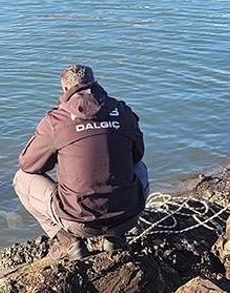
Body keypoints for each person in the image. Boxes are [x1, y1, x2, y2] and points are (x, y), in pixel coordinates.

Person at [13, 64, 149, 260]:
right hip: (127, 216)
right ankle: (115, 236)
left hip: (79, 222)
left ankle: (69, 242)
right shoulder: (123, 112)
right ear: (95, 83)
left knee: (21, 179)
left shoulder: (56, 121)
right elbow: (138, 155)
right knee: (140, 168)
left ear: (65, 89)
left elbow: (28, 165)